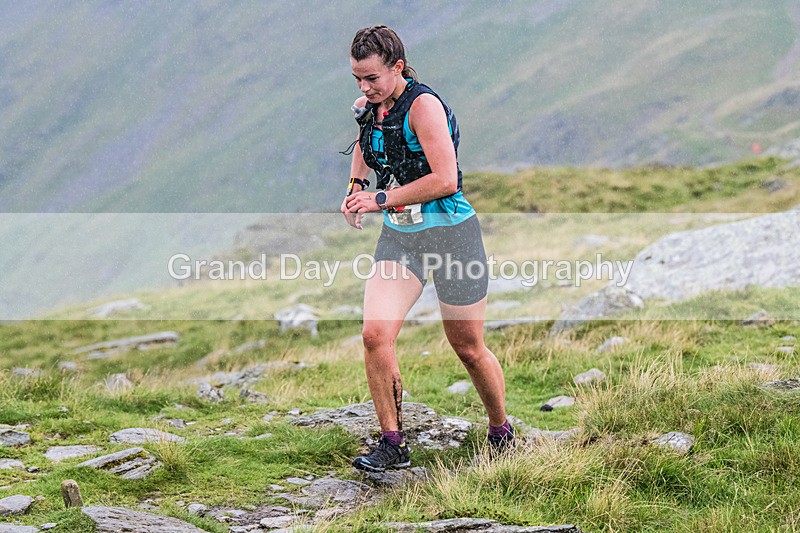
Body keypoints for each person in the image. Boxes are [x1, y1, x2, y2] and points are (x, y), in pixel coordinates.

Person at [340, 25, 513, 473]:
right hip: (401, 238)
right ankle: (392, 442)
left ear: (397, 67)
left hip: (452, 235)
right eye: (358, 78)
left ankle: (501, 432)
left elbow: (445, 180)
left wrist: (378, 199)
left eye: (373, 78)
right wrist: (356, 184)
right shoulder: (368, 107)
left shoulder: (424, 107)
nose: (365, 87)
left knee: (468, 346)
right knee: (375, 336)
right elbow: (365, 143)